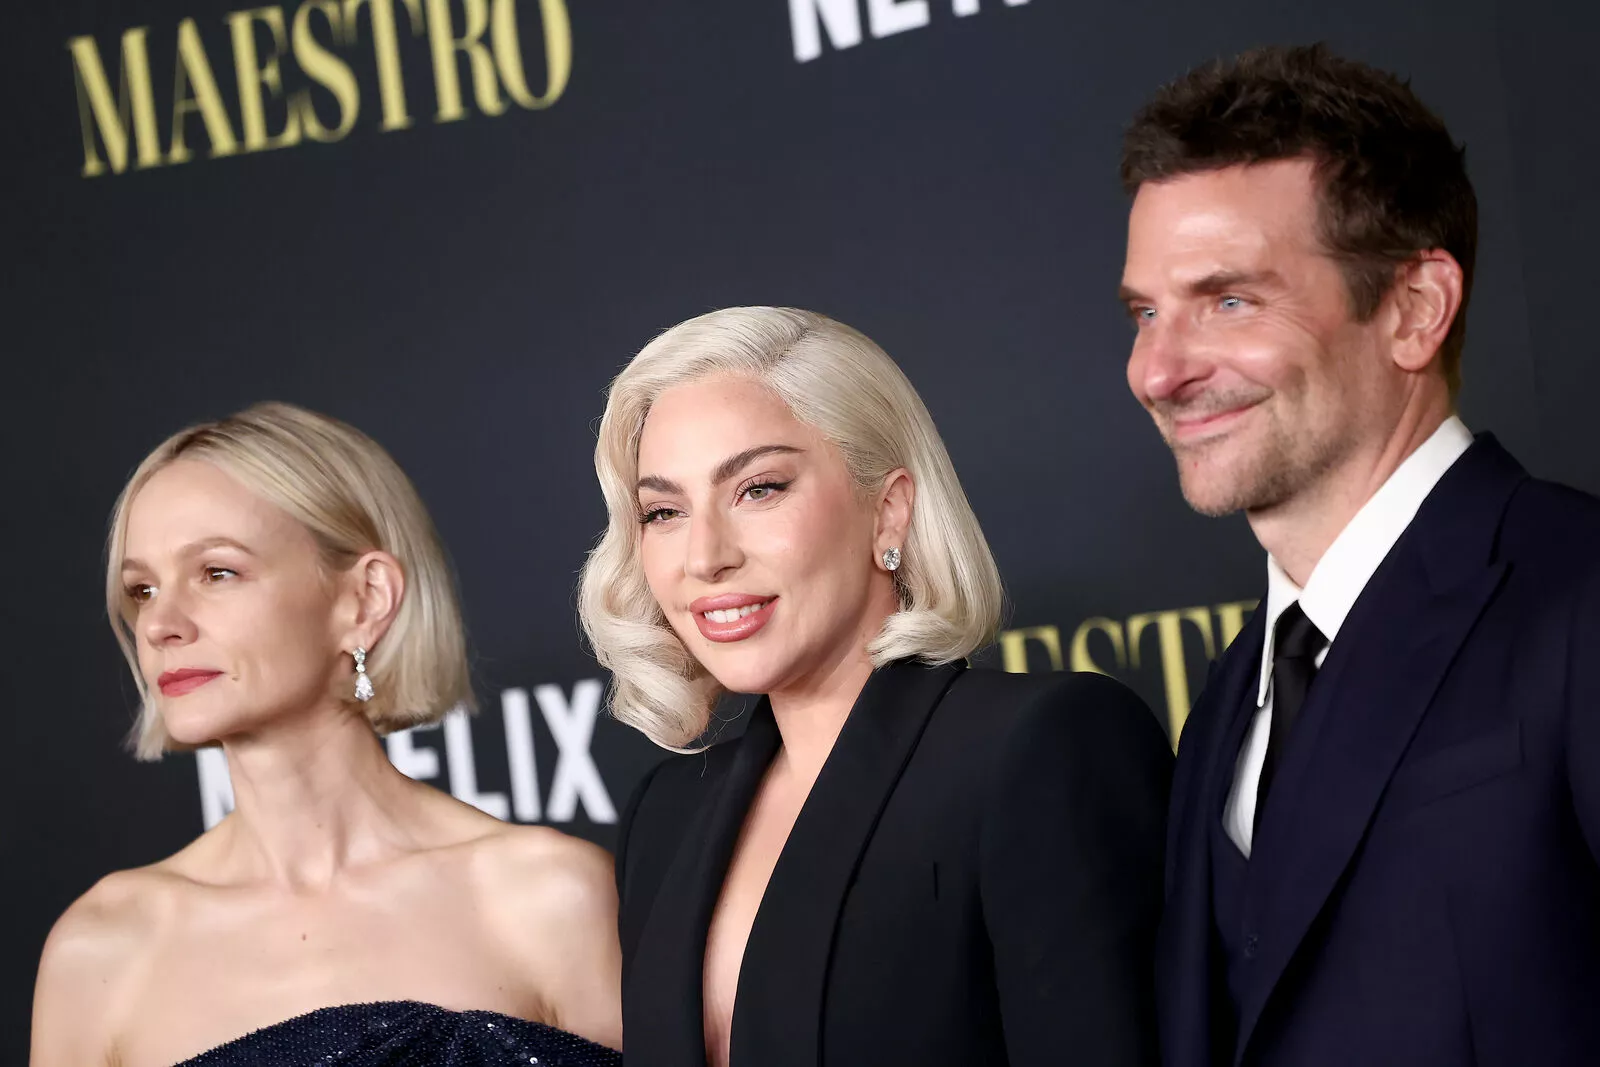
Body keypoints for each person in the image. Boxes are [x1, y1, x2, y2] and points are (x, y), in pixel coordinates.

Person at [1119, 44, 1600, 1067]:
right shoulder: (1226, 699)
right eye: (1146, 312)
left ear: (1414, 310)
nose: (1157, 370)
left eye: (1229, 299)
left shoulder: (1581, 597)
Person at [580, 306, 1171, 1067]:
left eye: (758, 489)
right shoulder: (666, 814)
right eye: (663, 511)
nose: (705, 556)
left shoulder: (1044, 748)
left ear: (888, 511)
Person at [30, 402, 622, 1067]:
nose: (160, 624)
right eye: (141, 589)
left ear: (365, 600)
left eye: (217, 572)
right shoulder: (103, 949)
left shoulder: (550, 898)